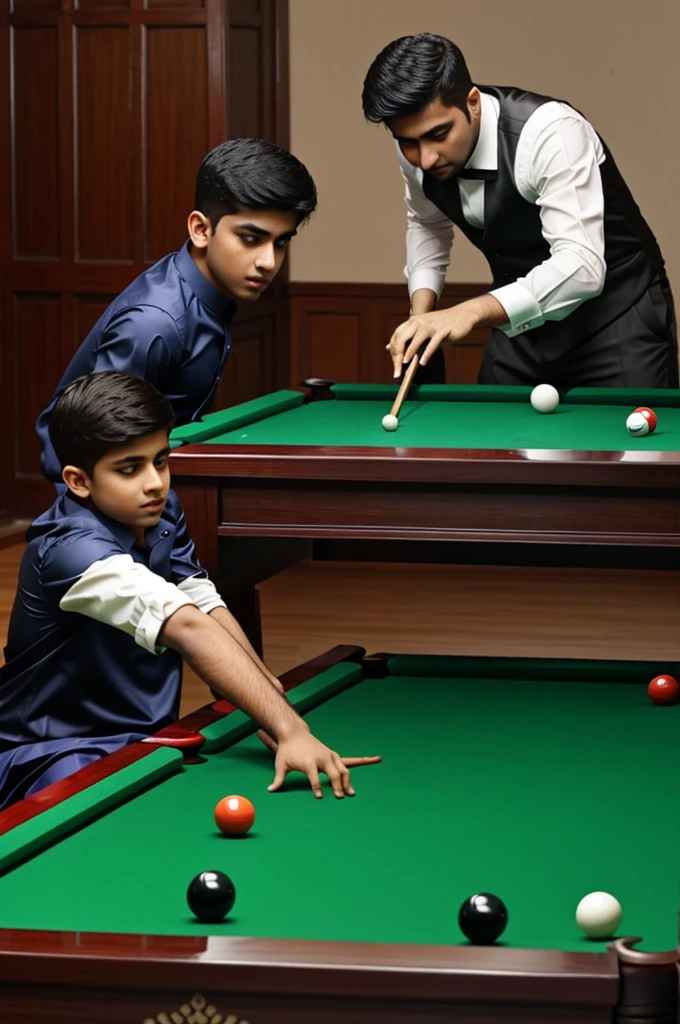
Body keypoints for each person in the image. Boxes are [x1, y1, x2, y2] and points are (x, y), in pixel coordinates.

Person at [0, 372, 380, 810]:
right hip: (50, 756)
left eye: (159, 461)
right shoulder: (71, 551)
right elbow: (186, 625)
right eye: (130, 468)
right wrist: (291, 731)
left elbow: (199, 596)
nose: (155, 483)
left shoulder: (157, 510)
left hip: (142, 743)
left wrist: (267, 704)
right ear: (79, 481)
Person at [362, 34, 677, 389]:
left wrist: (470, 311)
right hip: (521, 329)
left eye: (439, 133)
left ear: (473, 103)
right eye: (407, 141)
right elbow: (427, 222)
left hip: (618, 319)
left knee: (630, 444)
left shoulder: (551, 132)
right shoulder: (417, 147)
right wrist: (420, 315)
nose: (426, 158)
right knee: (494, 444)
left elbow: (582, 265)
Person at [37, 138, 317, 482]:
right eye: (250, 238)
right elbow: (93, 447)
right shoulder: (156, 323)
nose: (268, 262)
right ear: (201, 230)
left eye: (281, 242)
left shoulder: (210, 293)